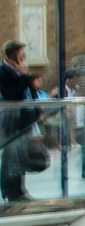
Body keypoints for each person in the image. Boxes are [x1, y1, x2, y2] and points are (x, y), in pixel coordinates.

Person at [0, 40, 34, 202]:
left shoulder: (19, 70)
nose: (23, 55)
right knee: (11, 154)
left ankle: (20, 189)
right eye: (21, 52)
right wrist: (25, 77)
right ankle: (10, 191)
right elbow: (11, 94)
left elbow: (29, 91)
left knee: (20, 154)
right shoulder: (3, 71)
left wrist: (26, 77)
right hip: (10, 118)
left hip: (23, 117)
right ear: (12, 54)